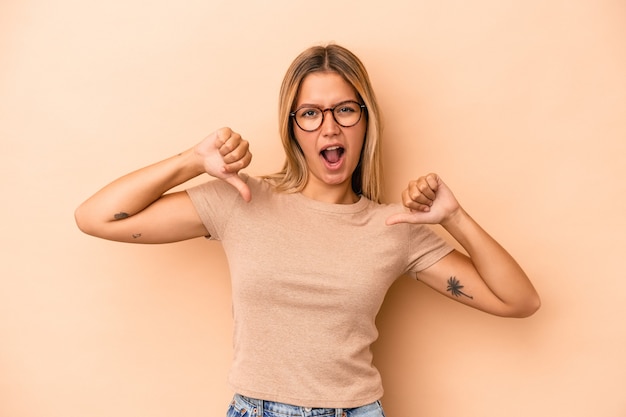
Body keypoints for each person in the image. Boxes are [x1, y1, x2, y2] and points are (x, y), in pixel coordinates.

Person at [75, 44, 540, 417]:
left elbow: (520, 301)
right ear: (293, 127)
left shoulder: (397, 226)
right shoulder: (241, 201)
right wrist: (191, 161)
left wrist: (455, 217)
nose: (329, 127)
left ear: (365, 120)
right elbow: (95, 217)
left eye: (345, 110)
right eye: (311, 113)